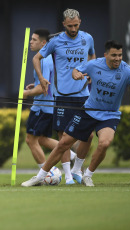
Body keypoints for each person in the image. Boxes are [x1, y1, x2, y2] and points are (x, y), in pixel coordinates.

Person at [22, 40, 130, 187]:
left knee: (104, 143)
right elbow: (76, 70)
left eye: (120, 55)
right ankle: (40, 176)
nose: (117, 58)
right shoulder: (94, 64)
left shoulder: (126, 70)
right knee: (64, 143)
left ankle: (88, 175)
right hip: (89, 111)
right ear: (106, 55)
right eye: (114, 55)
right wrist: (76, 74)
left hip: (109, 114)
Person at [32, 8, 96, 184]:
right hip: (62, 96)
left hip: (83, 94)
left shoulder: (87, 38)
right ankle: (68, 176)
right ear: (63, 25)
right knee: (64, 138)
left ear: (80, 22)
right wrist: (42, 78)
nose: (73, 29)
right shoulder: (55, 41)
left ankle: (77, 169)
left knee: (89, 135)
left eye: (75, 25)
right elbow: (36, 58)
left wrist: (91, 74)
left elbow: (92, 55)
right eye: (70, 26)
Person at [24, 29, 76, 173]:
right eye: (31, 39)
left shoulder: (43, 60)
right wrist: (34, 85)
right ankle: (71, 154)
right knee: (41, 139)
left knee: (31, 140)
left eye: (34, 40)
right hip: (46, 106)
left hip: (42, 107)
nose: (31, 42)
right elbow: (44, 83)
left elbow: (43, 88)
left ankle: (46, 173)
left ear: (44, 43)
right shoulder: (46, 58)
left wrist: (26, 93)